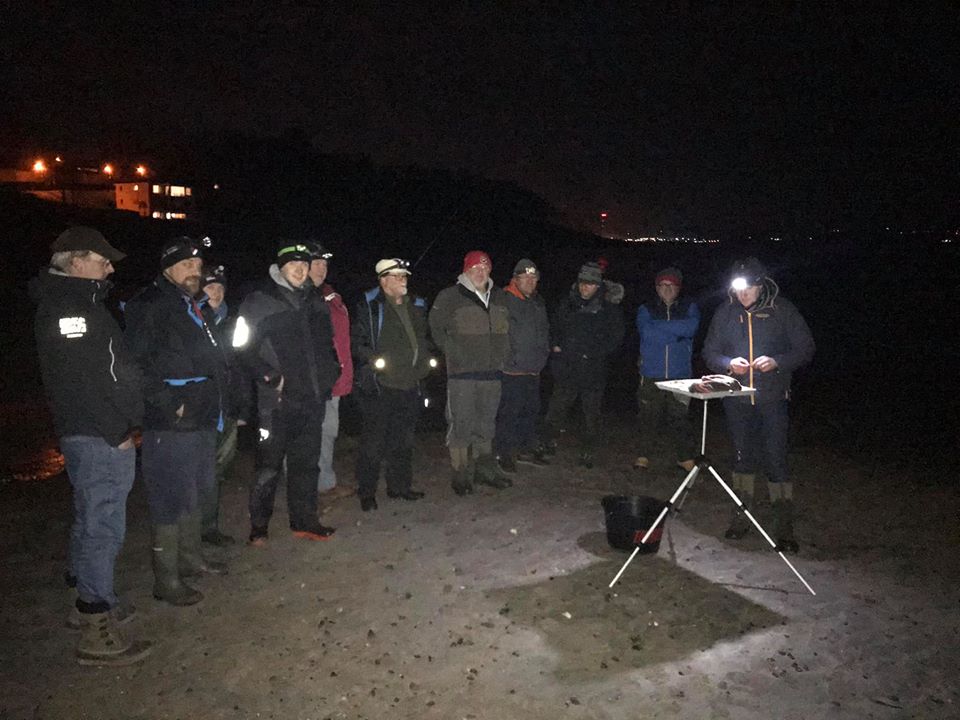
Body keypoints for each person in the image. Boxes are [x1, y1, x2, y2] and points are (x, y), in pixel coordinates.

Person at [31, 226, 152, 665]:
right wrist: (116, 430)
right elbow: (86, 381)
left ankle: (83, 596)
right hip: (98, 434)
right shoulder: (71, 310)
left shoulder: (80, 303)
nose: (110, 268)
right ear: (77, 261)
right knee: (103, 525)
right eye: (103, 261)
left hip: (92, 431)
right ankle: (95, 622)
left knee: (89, 518)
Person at [125, 237, 230, 607]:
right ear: (168, 267)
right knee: (169, 496)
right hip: (171, 421)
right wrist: (171, 404)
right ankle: (166, 578)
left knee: (194, 490)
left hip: (202, 414)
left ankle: (190, 558)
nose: (194, 271)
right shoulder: (150, 304)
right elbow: (135, 365)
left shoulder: (192, 305)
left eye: (198, 265)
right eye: (186, 264)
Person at [703, 258, 815, 552]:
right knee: (742, 459)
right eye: (738, 288)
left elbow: (805, 348)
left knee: (776, 460)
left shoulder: (782, 310)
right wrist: (729, 363)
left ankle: (784, 527)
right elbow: (710, 352)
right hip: (736, 400)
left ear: (761, 285)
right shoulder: (726, 312)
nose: (743, 294)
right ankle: (741, 518)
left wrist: (777, 361)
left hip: (772, 400)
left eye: (749, 288)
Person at [234, 242, 340, 545]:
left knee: (306, 464)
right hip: (276, 403)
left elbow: (327, 344)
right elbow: (240, 346)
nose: (300, 270)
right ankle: (259, 526)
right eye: (293, 264)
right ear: (280, 268)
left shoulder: (315, 300)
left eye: (304, 264)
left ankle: (305, 520)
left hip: (312, 398)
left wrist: (332, 372)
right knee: (268, 466)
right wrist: (268, 376)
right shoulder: (259, 301)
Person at [351, 258, 434, 510]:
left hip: (410, 384)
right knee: (373, 444)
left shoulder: (416, 304)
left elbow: (423, 338)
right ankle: (367, 492)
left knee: (403, 441)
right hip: (381, 386)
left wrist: (424, 365)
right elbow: (357, 341)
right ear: (383, 280)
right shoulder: (369, 305)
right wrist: (374, 361)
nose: (402, 280)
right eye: (397, 276)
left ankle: (399, 487)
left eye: (404, 276)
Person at [429, 250, 512, 495]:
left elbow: (509, 329)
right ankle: (461, 473)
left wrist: (504, 354)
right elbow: (435, 327)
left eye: (484, 268)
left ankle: (484, 469)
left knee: (486, 424)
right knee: (461, 424)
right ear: (466, 270)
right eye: (475, 268)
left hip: (492, 373)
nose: (480, 272)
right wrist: (453, 352)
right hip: (462, 374)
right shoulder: (450, 296)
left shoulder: (499, 297)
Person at [544, 261, 625, 468]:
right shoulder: (567, 304)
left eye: (589, 283)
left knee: (591, 415)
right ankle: (547, 442)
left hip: (593, 370)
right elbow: (554, 327)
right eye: (582, 283)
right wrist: (555, 345)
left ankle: (588, 451)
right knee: (557, 408)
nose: (584, 287)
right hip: (567, 367)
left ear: (598, 285)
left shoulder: (608, 308)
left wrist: (594, 352)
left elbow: (616, 337)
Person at [198, 265, 249, 546]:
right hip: (203, 409)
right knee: (201, 470)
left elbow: (243, 365)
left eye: (219, 287)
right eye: (209, 287)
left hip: (229, 408)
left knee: (219, 470)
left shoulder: (234, 322)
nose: (215, 293)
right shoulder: (193, 319)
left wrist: (243, 408)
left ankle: (209, 527)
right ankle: (197, 530)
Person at [634, 266, 700, 472]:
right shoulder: (646, 308)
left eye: (671, 285)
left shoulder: (689, 307)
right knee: (648, 416)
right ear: (656, 287)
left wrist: (660, 327)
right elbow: (647, 333)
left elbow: (691, 328)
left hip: (680, 375)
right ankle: (643, 455)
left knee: (680, 418)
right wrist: (677, 334)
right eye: (663, 285)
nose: (667, 289)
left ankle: (684, 457)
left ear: (679, 288)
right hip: (651, 372)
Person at [305, 241, 355, 505]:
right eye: (316, 263)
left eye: (324, 263)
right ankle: (305, 489)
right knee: (307, 435)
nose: (321, 268)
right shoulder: (300, 297)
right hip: (310, 383)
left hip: (332, 379)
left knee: (328, 431)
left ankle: (324, 482)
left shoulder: (331, 296)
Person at [495, 259, 551, 473]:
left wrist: (544, 354)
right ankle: (504, 453)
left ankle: (525, 449)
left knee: (530, 411)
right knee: (509, 413)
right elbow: (498, 332)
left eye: (533, 278)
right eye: (525, 277)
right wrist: (508, 357)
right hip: (511, 370)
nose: (530, 281)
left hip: (533, 368)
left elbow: (544, 331)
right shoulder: (504, 299)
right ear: (515, 279)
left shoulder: (538, 302)